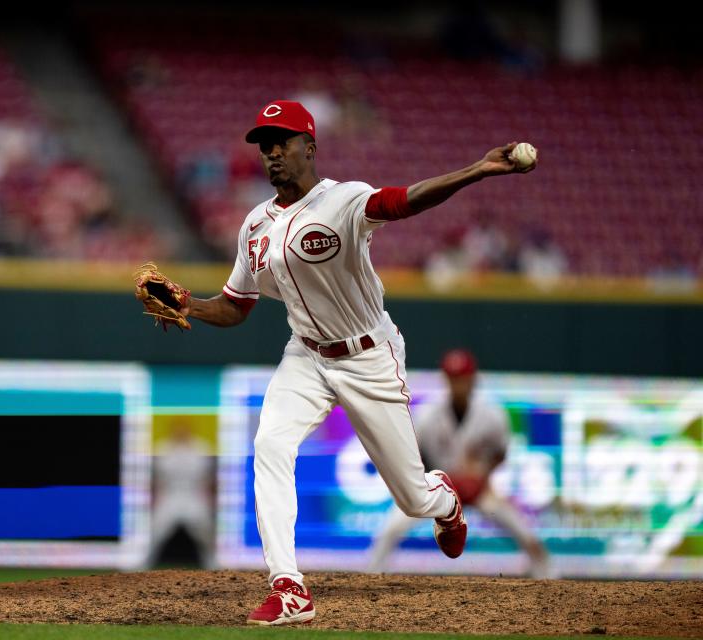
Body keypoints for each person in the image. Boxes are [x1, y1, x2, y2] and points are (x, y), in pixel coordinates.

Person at [168, 100, 535, 626]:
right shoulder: (256, 225)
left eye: (283, 141)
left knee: (411, 498)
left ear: (310, 147)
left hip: (368, 357)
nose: (272, 152)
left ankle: (444, 501)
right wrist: (188, 305)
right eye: (264, 144)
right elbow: (235, 306)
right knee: (270, 444)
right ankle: (288, 587)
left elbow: (406, 201)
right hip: (305, 356)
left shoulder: (343, 201)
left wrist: (476, 170)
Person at [366, 348, 552, 579]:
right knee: (391, 529)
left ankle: (548, 579)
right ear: (446, 379)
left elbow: (500, 453)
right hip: (438, 489)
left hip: (478, 488)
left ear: (473, 378)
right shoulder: (428, 414)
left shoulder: (491, 414)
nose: (458, 383)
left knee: (524, 531)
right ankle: (372, 576)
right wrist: (426, 484)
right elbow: (414, 456)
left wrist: (482, 477)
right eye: (453, 378)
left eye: (462, 377)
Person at [145, 419, 216, 569]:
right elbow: (157, 479)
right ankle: (138, 566)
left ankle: (215, 567)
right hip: (170, 496)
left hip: (193, 495)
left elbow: (208, 479)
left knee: (205, 534)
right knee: (155, 532)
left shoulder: (201, 448)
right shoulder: (162, 448)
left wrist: (209, 498)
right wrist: (154, 498)